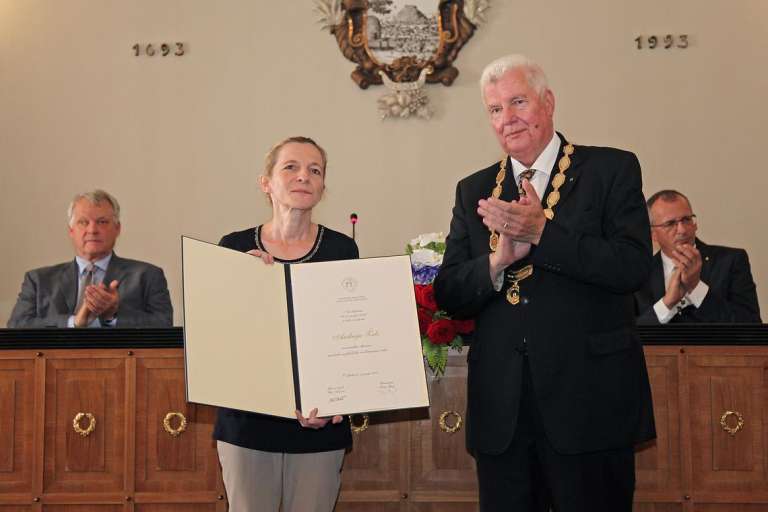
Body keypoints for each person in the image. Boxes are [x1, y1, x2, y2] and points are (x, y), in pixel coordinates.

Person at [433, 54, 656, 511]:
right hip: (503, 413)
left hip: (591, 403)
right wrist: (494, 264)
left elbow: (632, 267)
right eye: (495, 109)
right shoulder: (473, 189)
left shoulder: (609, 170)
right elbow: (450, 294)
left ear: (548, 102)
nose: (507, 119)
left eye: (518, 102)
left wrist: (543, 235)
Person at [213, 136, 358, 512]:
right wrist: (243, 284)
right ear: (266, 182)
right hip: (246, 422)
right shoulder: (233, 247)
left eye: (315, 170)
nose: (303, 177)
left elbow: (348, 337)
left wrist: (336, 401)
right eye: (290, 167)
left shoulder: (343, 250)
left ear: (323, 186)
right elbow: (219, 337)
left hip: (318, 424)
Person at [7, 189, 172, 328]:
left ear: (117, 229)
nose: (92, 230)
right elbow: (16, 325)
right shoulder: (38, 280)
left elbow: (164, 324)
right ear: (71, 231)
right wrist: (73, 322)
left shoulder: (148, 276)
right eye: (83, 222)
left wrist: (112, 316)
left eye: (102, 222)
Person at [635, 190, 761, 324]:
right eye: (670, 224)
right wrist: (667, 303)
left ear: (695, 224)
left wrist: (696, 288)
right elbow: (628, 335)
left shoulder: (730, 261)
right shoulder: (638, 273)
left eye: (686, 220)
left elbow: (751, 325)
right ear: (653, 234)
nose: (682, 230)